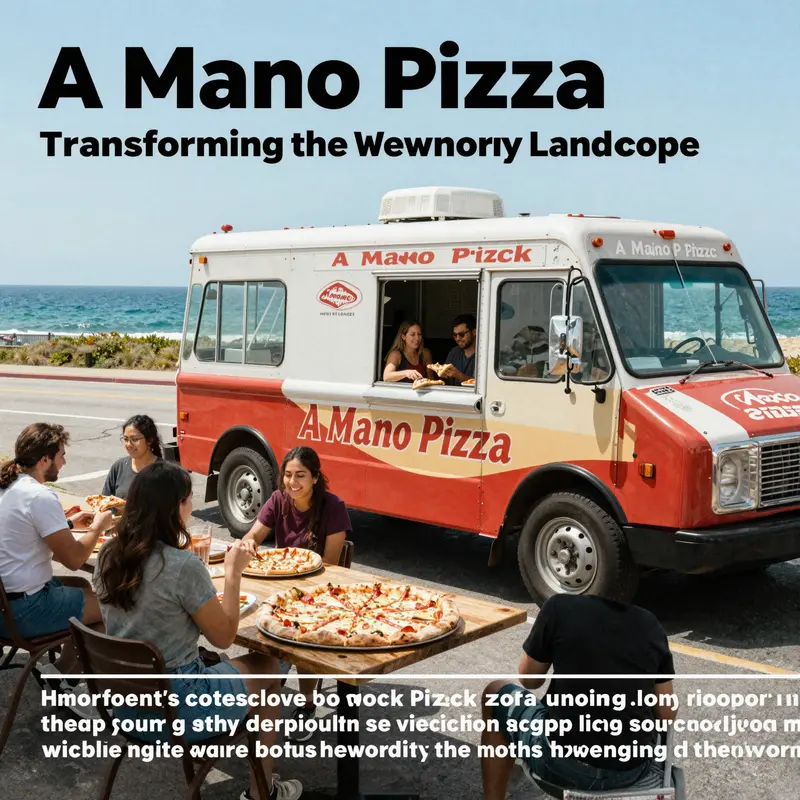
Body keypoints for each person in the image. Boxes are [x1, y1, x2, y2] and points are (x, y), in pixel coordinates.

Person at [94, 461, 302, 800]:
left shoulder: (107, 554)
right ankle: (262, 790)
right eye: (189, 499)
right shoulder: (182, 565)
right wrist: (233, 574)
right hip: (178, 708)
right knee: (268, 667)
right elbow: (224, 636)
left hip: (125, 706)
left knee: (220, 660)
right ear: (177, 507)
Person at [481, 593, 677, 798]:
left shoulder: (560, 606)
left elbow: (529, 680)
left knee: (495, 692)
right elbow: (666, 713)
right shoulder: (650, 625)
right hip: (631, 771)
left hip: (563, 765)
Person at [242, 447, 351, 741]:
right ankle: (267, 692)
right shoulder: (278, 499)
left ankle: (306, 702)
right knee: (256, 631)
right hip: (279, 584)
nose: (292, 482)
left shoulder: (333, 506)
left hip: (317, 591)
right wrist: (250, 542)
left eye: (300, 475)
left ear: (315, 477)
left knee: (302, 639)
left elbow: (329, 566)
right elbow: (254, 534)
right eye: (288, 475)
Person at [0, 423, 111, 700]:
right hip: (25, 611)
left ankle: (59, 673)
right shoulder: (39, 496)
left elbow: (24, 530)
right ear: (44, 459)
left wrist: (68, 522)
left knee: (84, 588)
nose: (64, 461)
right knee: (114, 610)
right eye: (61, 455)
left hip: (5, 607)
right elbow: (74, 559)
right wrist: (99, 526)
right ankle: (65, 683)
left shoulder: (9, 486)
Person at [102, 414, 162, 499]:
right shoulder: (119, 466)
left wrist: (127, 508)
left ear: (150, 440)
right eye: (126, 439)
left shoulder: (164, 471)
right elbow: (104, 501)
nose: (128, 445)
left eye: (135, 439)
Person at [440, 313, 477, 384]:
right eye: (455, 335)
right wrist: (445, 376)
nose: (458, 338)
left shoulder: (483, 356)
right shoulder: (454, 352)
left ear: (474, 332)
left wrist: (459, 376)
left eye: (461, 334)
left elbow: (482, 385)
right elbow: (446, 382)